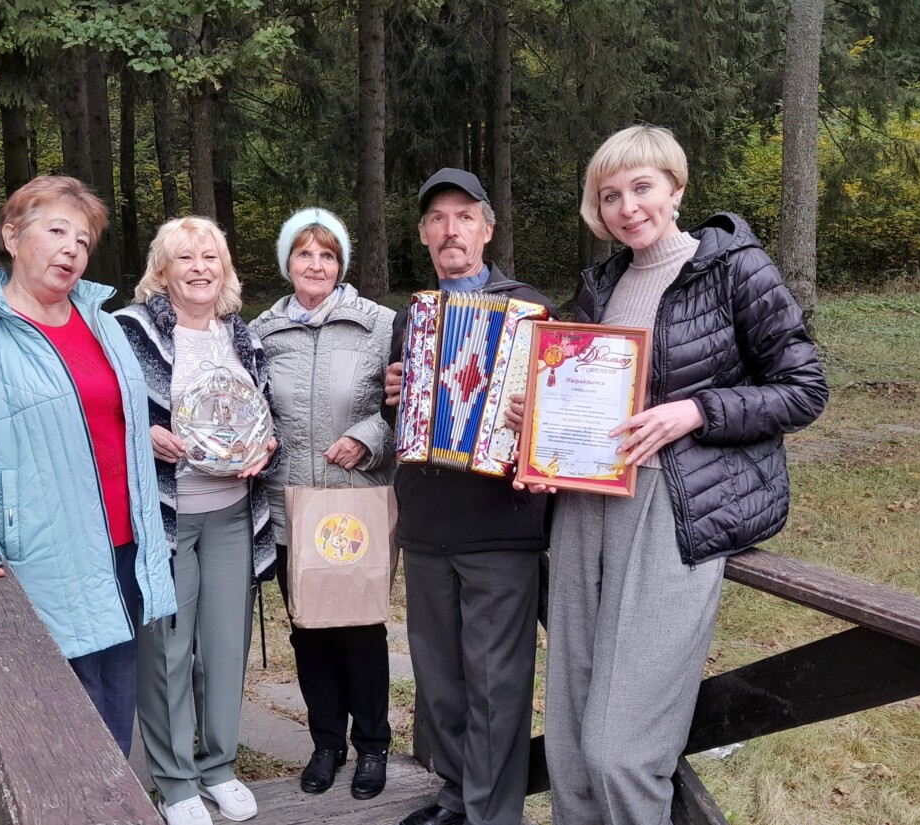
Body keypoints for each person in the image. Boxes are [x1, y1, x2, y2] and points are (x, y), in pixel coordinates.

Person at [512, 124, 828, 825]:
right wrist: (537, 435)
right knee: (569, 741)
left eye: (643, 187)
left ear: (676, 188)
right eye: (611, 195)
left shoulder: (733, 267)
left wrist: (696, 409)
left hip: (674, 510)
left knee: (620, 751)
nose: (629, 206)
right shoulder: (600, 284)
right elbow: (586, 402)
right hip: (585, 504)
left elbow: (805, 386)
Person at [0, 175, 177, 758]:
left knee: (112, 726)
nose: (72, 250)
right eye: (57, 231)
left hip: (123, 553)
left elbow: (113, 422)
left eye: (83, 241)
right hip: (43, 558)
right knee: (56, 741)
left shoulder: (102, 323)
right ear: (12, 236)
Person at [382, 169, 558, 825]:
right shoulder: (415, 316)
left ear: (487, 228)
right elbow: (407, 419)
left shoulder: (532, 311)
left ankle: (492, 813)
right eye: (437, 219)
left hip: (499, 526)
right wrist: (393, 393)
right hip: (427, 526)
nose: (450, 229)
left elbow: (561, 419)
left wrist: (530, 411)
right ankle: (455, 796)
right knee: (441, 681)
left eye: (463, 216)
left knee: (496, 686)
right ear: (425, 234)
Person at [115, 216, 279, 825]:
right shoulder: (129, 334)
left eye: (211, 256)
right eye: (186, 258)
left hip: (233, 514)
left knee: (223, 644)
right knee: (166, 647)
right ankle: (176, 779)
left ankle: (220, 766)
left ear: (225, 269)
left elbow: (264, 414)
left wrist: (267, 448)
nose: (200, 267)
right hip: (167, 516)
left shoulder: (240, 335)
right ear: (162, 270)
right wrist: (143, 434)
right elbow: (104, 413)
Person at [249, 208, 396, 800]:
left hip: (352, 507)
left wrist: (369, 437)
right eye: (305, 254)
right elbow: (247, 405)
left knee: (360, 628)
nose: (316, 265)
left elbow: (404, 405)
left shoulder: (381, 324)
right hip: (291, 509)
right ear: (288, 262)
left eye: (328, 255)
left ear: (342, 265)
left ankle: (373, 745)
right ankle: (326, 742)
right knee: (308, 630)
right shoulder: (259, 333)